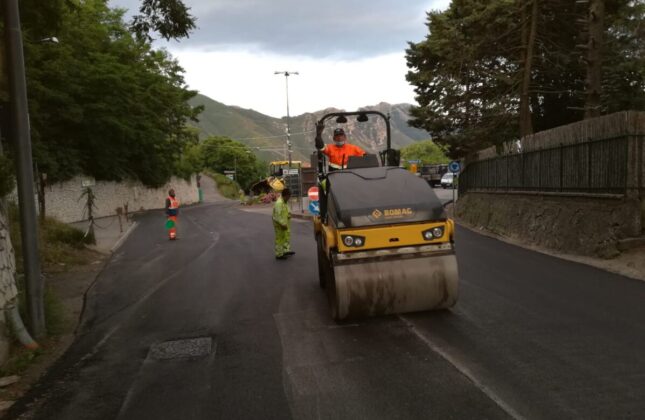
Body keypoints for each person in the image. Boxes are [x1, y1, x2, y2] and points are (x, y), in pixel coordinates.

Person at [272, 188, 295, 260]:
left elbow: (287, 210)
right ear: (286, 195)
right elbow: (277, 216)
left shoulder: (284, 202)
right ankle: (279, 254)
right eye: (289, 196)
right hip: (279, 224)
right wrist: (283, 224)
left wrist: (289, 214)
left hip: (284, 223)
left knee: (285, 237)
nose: (289, 198)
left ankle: (285, 250)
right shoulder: (279, 203)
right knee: (279, 239)